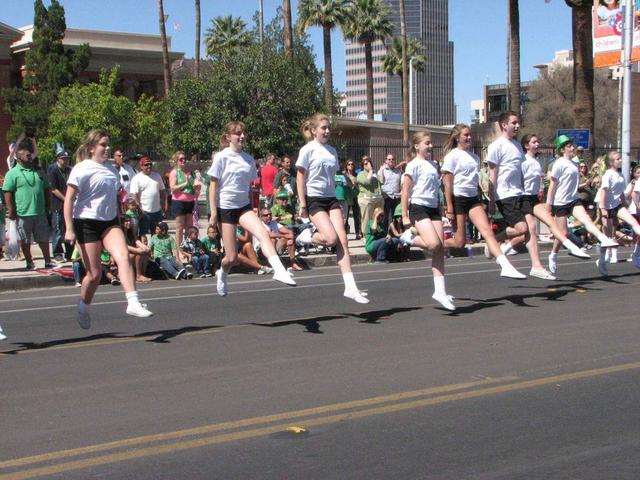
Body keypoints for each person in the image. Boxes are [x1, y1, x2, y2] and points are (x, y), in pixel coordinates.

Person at [63, 129, 152, 329]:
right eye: (103, 144)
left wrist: (123, 219)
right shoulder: (81, 168)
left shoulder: (113, 171)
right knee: (94, 275)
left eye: (108, 144)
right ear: (91, 148)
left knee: (123, 256)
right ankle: (83, 307)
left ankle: (133, 301)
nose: (107, 148)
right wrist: (69, 228)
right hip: (86, 222)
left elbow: (113, 200)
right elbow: (69, 199)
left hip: (109, 222)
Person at [208, 121, 295, 296]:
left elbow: (249, 187)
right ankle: (222, 273)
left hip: (244, 207)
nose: (241, 136)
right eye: (237, 133)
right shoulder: (221, 157)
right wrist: (214, 213)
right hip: (226, 208)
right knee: (231, 258)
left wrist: (254, 207)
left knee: (263, 234)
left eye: (243, 133)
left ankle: (279, 270)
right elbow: (213, 186)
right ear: (228, 137)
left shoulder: (248, 159)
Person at [296, 113, 369, 303]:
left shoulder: (332, 151)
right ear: (314, 131)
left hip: (331, 198)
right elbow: (300, 177)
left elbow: (334, 175)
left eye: (328, 128)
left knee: (342, 240)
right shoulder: (307, 150)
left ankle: (351, 287)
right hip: (314, 199)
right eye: (323, 128)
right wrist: (302, 203)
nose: (327, 131)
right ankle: (307, 236)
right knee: (330, 239)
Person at [440, 124, 525, 279]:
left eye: (470, 134)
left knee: (487, 231)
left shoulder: (475, 157)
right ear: (457, 137)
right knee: (459, 243)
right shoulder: (452, 156)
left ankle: (505, 265)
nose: (469, 137)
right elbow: (447, 184)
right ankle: (431, 243)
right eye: (465, 135)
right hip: (458, 199)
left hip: (473, 199)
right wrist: (449, 208)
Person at [512, 134, 590, 280]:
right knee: (530, 228)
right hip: (524, 198)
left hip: (534, 198)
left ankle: (571, 248)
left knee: (549, 223)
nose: (537, 144)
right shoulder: (523, 161)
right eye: (534, 142)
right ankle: (505, 247)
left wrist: (541, 190)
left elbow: (540, 179)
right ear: (526, 145)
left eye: (538, 141)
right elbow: (520, 179)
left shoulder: (537, 161)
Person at [546, 135, 618, 276]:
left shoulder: (575, 163)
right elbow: (553, 184)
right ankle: (553, 255)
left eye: (572, 145)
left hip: (573, 200)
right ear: (562, 150)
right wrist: (549, 203)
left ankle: (603, 239)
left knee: (586, 220)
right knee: (563, 233)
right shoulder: (559, 163)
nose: (572, 148)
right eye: (569, 146)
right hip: (560, 202)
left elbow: (572, 183)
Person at [399, 131, 455, 310]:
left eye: (431, 143)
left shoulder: (433, 165)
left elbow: (435, 190)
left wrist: (442, 210)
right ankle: (409, 238)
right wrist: (405, 216)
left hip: (433, 208)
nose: (430, 146)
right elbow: (405, 191)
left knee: (440, 249)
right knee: (433, 244)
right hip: (419, 207)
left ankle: (440, 291)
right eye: (427, 143)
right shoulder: (413, 165)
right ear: (417, 146)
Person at [485, 111, 531, 257]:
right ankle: (494, 240)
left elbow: (520, 172)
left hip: (520, 193)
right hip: (505, 194)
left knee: (530, 229)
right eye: (514, 123)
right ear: (504, 125)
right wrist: (491, 200)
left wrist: (525, 190)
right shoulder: (496, 146)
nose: (517, 126)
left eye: (518, 123)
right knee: (522, 228)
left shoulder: (518, 146)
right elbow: (492, 174)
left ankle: (502, 247)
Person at [3, 148, 54, 270]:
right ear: (19, 157)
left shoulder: (39, 171)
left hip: (40, 212)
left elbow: (47, 188)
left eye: (30, 155)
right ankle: (30, 262)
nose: (30, 157)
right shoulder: (12, 173)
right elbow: (7, 193)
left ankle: (48, 261)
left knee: (43, 238)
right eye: (27, 155)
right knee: (25, 240)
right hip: (23, 213)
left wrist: (48, 205)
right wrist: (11, 210)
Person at [597, 151, 640, 273]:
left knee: (634, 223)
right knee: (608, 239)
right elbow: (603, 192)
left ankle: (635, 254)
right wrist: (603, 208)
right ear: (611, 162)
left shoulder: (620, 175)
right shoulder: (608, 175)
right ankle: (601, 261)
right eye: (618, 159)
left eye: (620, 158)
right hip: (607, 207)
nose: (620, 161)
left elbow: (620, 193)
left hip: (618, 206)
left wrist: (625, 205)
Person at [169, 151, 200, 262]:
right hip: (179, 201)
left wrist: (197, 187)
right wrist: (185, 183)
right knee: (179, 228)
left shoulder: (189, 172)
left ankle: (189, 251)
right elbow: (172, 188)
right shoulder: (174, 172)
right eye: (181, 159)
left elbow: (195, 188)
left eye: (184, 159)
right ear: (177, 161)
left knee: (189, 227)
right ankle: (179, 253)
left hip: (190, 201)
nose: (183, 161)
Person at [130, 156, 167, 236]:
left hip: (157, 211)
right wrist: (139, 208)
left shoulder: (157, 176)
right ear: (141, 166)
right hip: (144, 212)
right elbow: (134, 195)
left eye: (150, 164)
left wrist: (164, 205)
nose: (149, 166)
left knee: (158, 235)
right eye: (146, 165)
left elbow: (163, 191)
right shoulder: (136, 178)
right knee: (142, 235)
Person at [48, 144, 73, 261]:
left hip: (69, 204)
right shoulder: (53, 170)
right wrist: (66, 199)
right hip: (58, 204)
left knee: (69, 227)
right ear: (58, 159)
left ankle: (70, 252)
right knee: (57, 228)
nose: (66, 161)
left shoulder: (70, 170)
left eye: (67, 159)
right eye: (64, 159)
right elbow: (53, 189)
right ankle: (57, 252)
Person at [356, 156, 383, 241]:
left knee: (378, 217)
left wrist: (381, 171)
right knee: (366, 218)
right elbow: (367, 182)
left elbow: (382, 181)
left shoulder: (374, 174)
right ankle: (365, 236)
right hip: (366, 199)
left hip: (377, 198)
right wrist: (370, 171)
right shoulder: (360, 174)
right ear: (362, 165)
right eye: (365, 164)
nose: (368, 165)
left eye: (369, 163)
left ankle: (376, 234)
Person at [122, 214, 152, 283]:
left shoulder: (131, 231)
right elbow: (124, 246)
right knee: (139, 254)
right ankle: (138, 276)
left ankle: (143, 274)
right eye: (126, 221)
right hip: (123, 253)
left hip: (131, 252)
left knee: (145, 253)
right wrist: (137, 250)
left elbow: (137, 241)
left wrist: (144, 247)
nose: (128, 223)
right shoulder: (119, 232)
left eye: (129, 221)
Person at [378, 153, 404, 230]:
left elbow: (400, 184)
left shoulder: (398, 171)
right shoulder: (382, 170)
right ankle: (386, 232)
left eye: (392, 159)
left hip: (396, 196)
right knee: (386, 216)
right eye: (389, 159)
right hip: (386, 196)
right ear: (386, 160)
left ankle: (394, 233)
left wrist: (401, 192)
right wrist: (382, 171)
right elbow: (380, 182)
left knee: (395, 216)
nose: (391, 161)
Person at [344, 159, 361, 239]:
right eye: (349, 164)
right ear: (346, 166)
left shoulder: (356, 175)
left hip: (355, 196)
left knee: (356, 215)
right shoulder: (344, 175)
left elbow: (359, 186)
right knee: (346, 216)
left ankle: (357, 233)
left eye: (352, 164)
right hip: (347, 197)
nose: (351, 166)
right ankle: (345, 233)